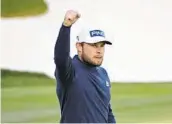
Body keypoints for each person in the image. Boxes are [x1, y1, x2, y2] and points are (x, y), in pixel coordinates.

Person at [54, 10, 116, 123]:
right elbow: (60, 58)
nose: (99, 51)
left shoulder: (103, 73)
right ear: (79, 47)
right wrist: (66, 26)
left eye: (102, 46)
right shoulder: (69, 71)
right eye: (93, 45)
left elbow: (107, 111)